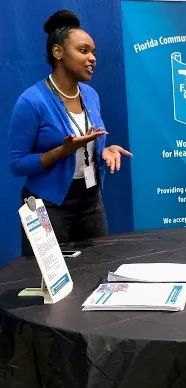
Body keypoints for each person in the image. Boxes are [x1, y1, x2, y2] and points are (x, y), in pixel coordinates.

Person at [7, 10, 132, 255]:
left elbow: (87, 142)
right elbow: (17, 164)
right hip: (47, 206)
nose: (92, 58)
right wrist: (62, 151)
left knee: (96, 267)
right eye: (83, 51)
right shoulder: (32, 101)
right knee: (47, 274)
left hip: (91, 202)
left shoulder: (91, 95)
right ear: (58, 52)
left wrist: (104, 149)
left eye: (94, 52)